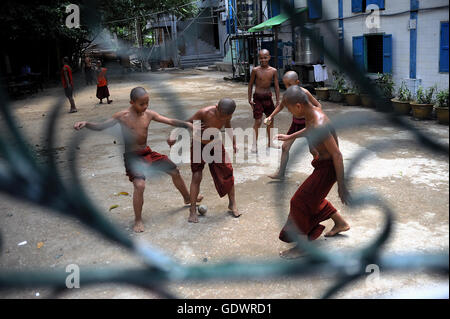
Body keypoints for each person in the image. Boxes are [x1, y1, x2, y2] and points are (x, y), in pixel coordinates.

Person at [74, 87, 201, 233]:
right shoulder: (122, 116)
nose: (145, 106)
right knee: (140, 186)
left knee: (174, 171)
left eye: (147, 103)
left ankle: (186, 198)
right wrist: (87, 123)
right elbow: (102, 126)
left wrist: (187, 124)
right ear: (132, 102)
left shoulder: (149, 114)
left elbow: (170, 121)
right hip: (133, 157)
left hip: (147, 152)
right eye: (142, 104)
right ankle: (138, 219)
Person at [275, 86, 350, 259]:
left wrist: (342, 185)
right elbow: (309, 129)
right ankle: (340, 223)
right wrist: (290, 136)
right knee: (313, 197)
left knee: (299, 202)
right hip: (322, 164)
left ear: (298, 106)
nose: (289, 112)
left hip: (328, 168)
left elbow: (337, 155)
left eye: (289, 109)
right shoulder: (312, 112)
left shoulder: (319, 122)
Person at [169, 98, 240, 223]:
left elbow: (228, 127)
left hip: (215, 143)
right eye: (220, 114)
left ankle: (232, 203)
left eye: (226, 116)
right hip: (198, 144)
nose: (222, 118)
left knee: (228, 172)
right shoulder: (204, 112)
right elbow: (185, 123)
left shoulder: (227, 115)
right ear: (216, 107)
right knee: (197, 176)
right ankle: (192, 210)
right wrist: (174, 137)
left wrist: (234, 143)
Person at [266, 71, 322, 179]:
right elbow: (281, 106)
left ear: (297, 83)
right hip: (295, 124)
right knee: (285, 147)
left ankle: (319, 173)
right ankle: (281, 173)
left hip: (307, 125)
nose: (288, 88)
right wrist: (271, 116)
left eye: (290, 85)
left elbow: (318, 105)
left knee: (313, 150)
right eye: (286, 85)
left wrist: (314, 117)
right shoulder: (288, 95)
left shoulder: (304, 93)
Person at [248, 49, 280, 152]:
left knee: (270, 120)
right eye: (261, 58)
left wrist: (278, 100)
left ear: (269, 57)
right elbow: (250, 85)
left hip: (268, 98)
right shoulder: (255, 70)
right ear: (258, 59)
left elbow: (276, 86)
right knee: (258, 121)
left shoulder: (273, 71)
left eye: (265, 57)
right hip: (258, 98)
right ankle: (254, 144)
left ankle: (270, 142)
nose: (263, 60)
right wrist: (249, 99)